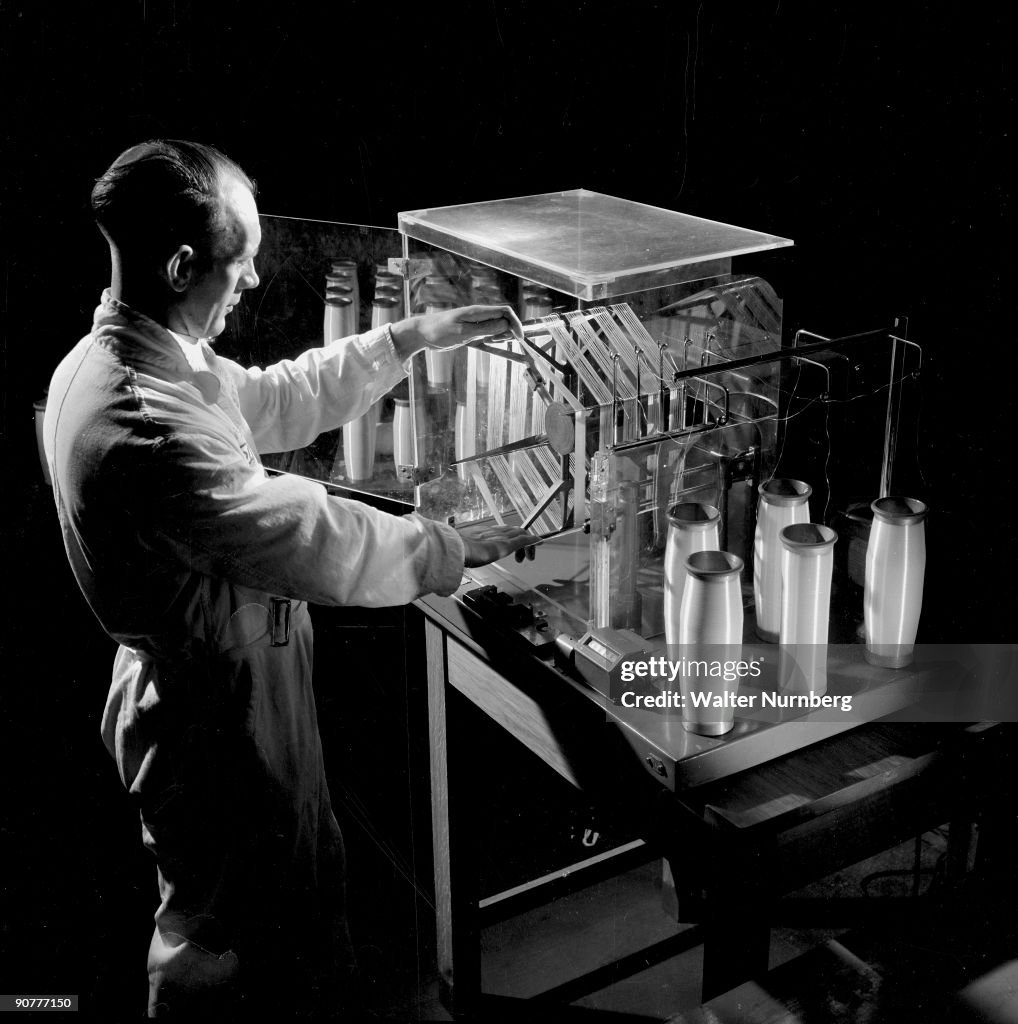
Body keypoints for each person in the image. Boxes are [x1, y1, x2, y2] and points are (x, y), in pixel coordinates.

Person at [43, 139, 537, 1018]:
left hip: (231, 691)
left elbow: (272, 399)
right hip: (215, 728)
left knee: (278, 917)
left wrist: (403, 339)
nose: (258, 279)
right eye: (243, 259)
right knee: (228, 950)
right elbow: (313, 538)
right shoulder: (144, 425)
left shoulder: (140, 358)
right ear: (182, 262)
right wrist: (446, 546)